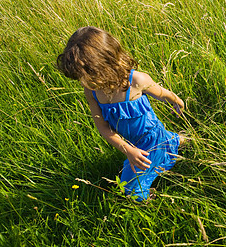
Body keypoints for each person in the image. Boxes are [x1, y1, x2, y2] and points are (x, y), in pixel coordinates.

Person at [57, 26, 185, 201]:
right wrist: (128, 150)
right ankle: (176, 142)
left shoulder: (137, 81)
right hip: (134, 147)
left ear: (107, 63)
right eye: (81, 78)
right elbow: (102, 127)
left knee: (130, 191)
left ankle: (171, 149)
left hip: (152, 142)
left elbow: (162, 93)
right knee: (132, 178)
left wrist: (176, 101)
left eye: (89, 75)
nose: (85, 82)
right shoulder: (91, 91)